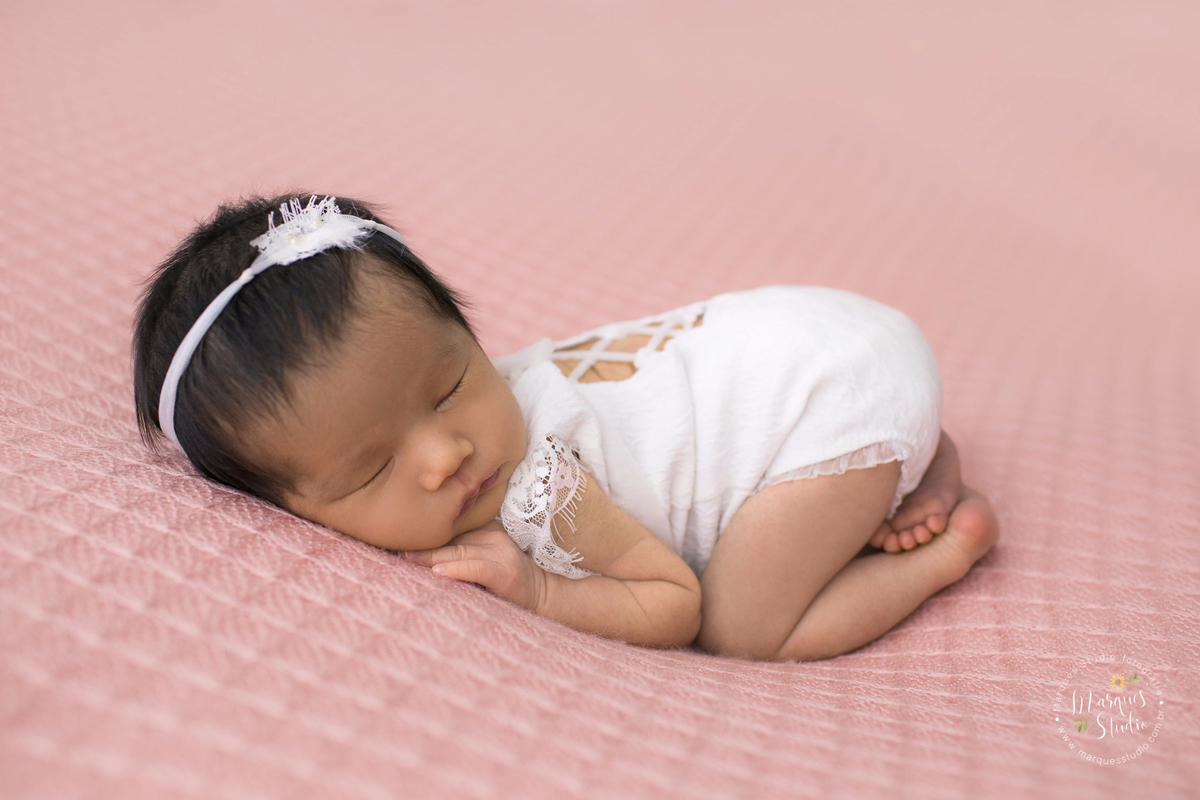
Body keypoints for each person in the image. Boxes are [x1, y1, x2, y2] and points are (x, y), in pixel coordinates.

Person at [133, 194, 998, 662]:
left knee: (746, 627)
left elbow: (675, 603)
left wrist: (541, 590)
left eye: (450, 386)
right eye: (368, 473)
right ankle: (911, 453)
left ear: (468, 333)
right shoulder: (448, 410)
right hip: (818, 335)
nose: (447, 455)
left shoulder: (539, 482)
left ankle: (940, 543)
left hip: (827, 393)